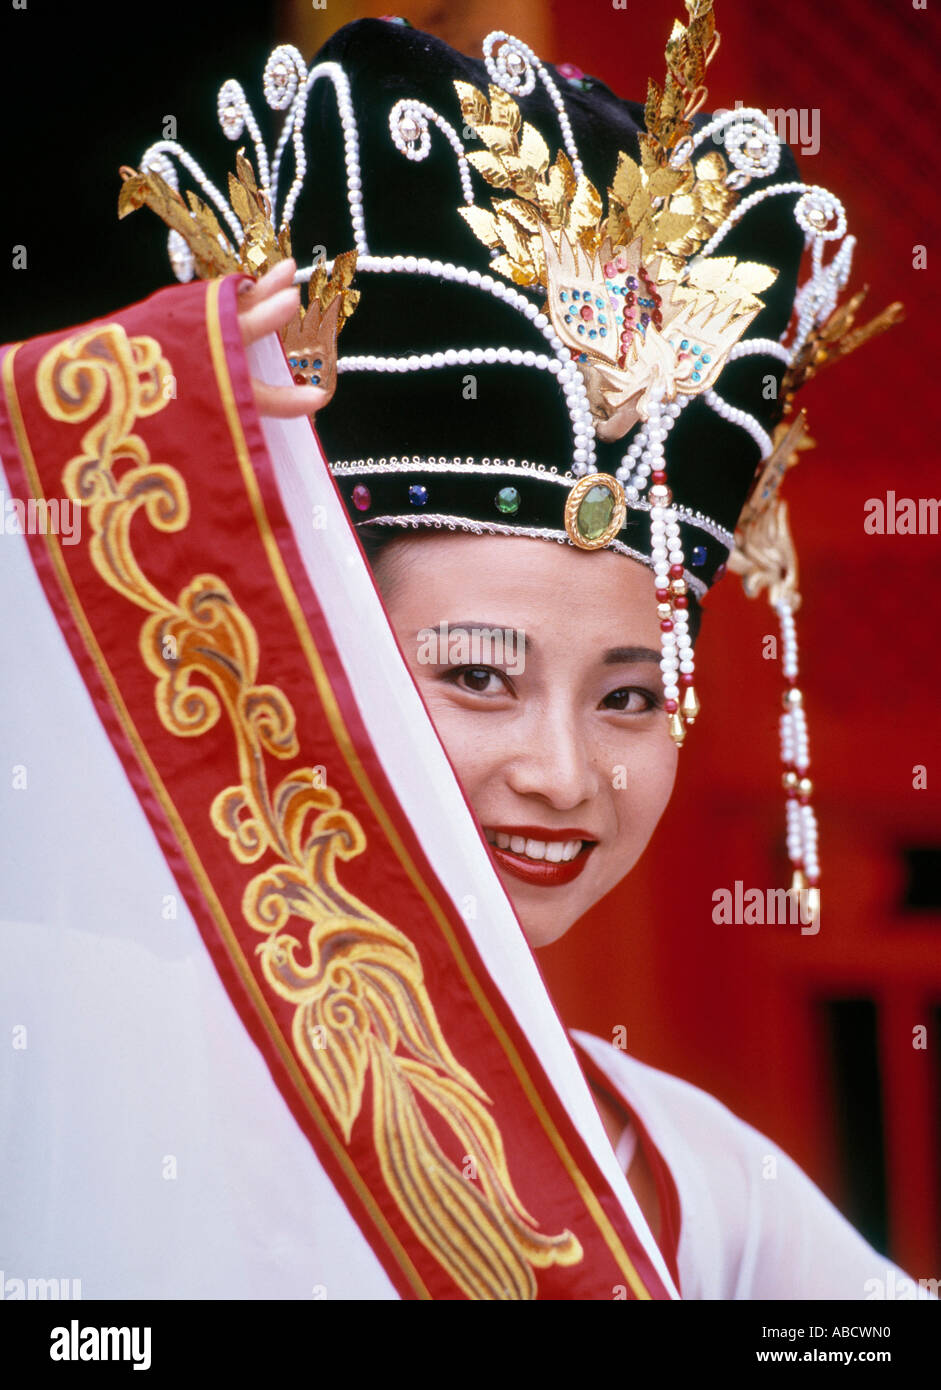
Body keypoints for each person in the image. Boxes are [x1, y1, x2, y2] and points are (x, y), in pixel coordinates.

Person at [0, 8, 925, 1301]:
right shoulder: (61, 1024)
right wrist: (63, 427)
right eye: (478, 675)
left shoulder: (685, 1181)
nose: (562, 771)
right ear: (315, 646)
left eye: (629, 696)